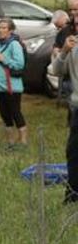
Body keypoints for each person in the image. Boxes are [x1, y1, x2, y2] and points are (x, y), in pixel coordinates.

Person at [0, 17, 27, 150]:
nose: (1, 30)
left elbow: (19, 64)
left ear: (11, 30)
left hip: (12, 87)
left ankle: (23, 141)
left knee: (15, 112)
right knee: (4, 114)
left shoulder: (14, 44)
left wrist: (4, 59)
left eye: (4, 28)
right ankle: (11, 142)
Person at [52, 30, 78, 202]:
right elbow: (57, 70)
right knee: (73, 152)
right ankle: (73, 195)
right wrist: (64, 52)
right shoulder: (73, 45)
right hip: (77, 107)